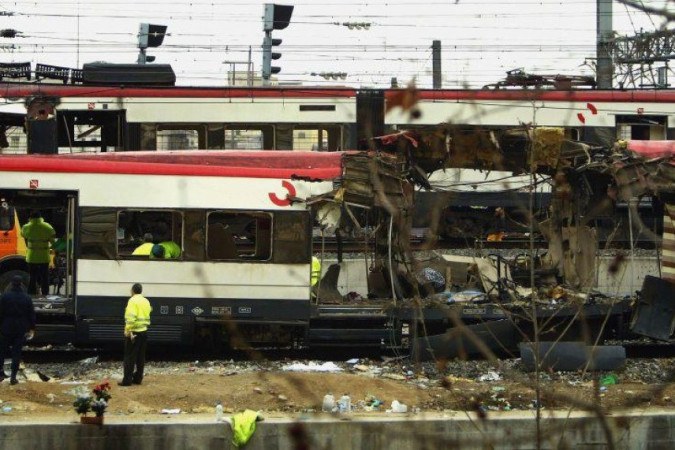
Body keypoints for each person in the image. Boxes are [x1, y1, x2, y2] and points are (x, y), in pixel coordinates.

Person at [0, 275, 36, 385]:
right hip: (20, 328)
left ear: (11, 284)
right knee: (16, 353)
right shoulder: (26, 298)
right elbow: (31, 314)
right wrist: (32, 328)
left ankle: (0, 373)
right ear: (21, 284)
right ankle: (13, 377)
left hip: (6, 327)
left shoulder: (4, 296)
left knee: (1, 351)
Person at [119, 283, 152, 386]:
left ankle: (127, 380)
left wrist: (127, 330)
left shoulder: (132, 301)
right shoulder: (146, 301)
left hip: (134, 333)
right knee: (140, 357)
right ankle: (138, 378)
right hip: (144, 332)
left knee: (129, 357)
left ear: (133, 291)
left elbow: (131, 318)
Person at [21, 210, 55, 296]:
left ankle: (32, 295)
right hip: (44, 257)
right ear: (40, 217)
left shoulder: (26, 227)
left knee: (32, 277)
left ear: (30, 218)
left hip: (32, 257)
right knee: (45, 277)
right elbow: (53, 241)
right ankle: (45, 294)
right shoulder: (47, 227)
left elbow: (23, 235)